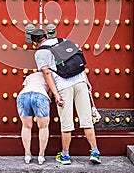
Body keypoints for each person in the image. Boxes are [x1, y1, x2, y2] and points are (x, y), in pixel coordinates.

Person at [30, 28, 101, 165]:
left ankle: (65, 155)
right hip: (80, 82)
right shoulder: (63, 41)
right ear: (46, 36)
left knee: (66, 122)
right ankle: (95, 152)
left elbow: (46, 73)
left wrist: (55, 94)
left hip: (63, 86)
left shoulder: (40, 52)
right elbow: (78, 62)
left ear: (35, 43)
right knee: (87, 119)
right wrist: (86, 81)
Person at [16, 69, 51, 165]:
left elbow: (25, 87)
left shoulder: (30, 76)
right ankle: (41, 155)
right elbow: (51, 91)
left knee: (26, 126)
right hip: (40, 95)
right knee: (43, 127)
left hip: (23, 95)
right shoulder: (49, 75)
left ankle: (27, 154)